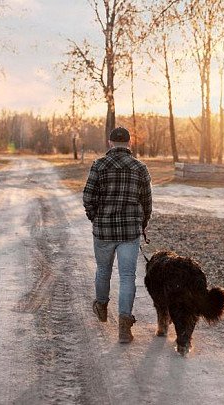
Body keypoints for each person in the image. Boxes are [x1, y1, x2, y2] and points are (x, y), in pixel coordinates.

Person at [83, 127, 152, 343]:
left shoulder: (99, 165)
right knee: (127, 276)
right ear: (130, 143)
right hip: (129, 231)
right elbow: (147, 202)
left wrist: (95, 217)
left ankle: (101, 307)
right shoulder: (140, 168)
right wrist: (142, 222)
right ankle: (124, 325)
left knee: (103, 269)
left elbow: (88, 196)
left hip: (103, 230)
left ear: (110, 142)